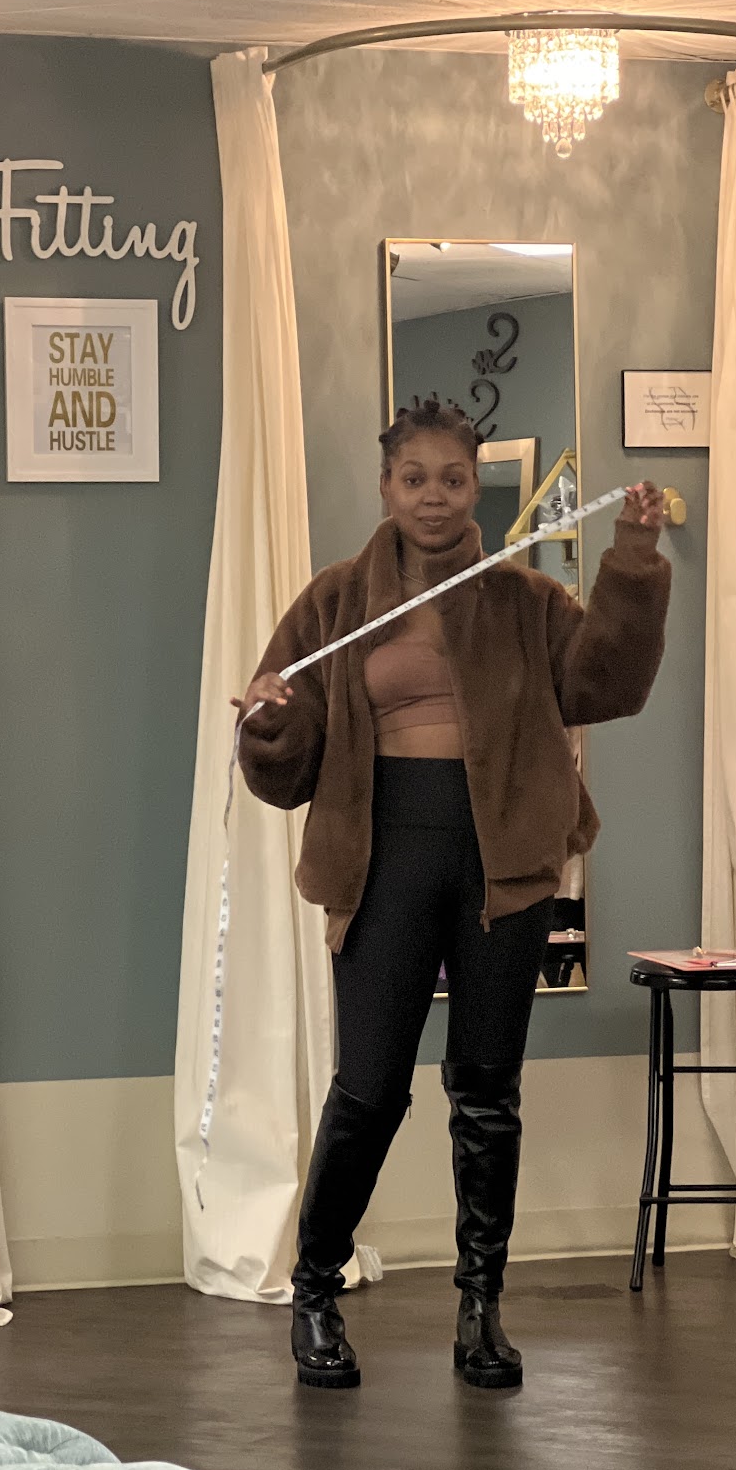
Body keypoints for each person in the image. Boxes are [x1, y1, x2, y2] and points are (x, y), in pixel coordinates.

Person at [236, 397, 670, 1392]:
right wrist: (266, 723)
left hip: (501, 866)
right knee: (368, 1089)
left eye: (454, 479)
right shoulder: (335, 601)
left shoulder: (526, 600)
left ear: (478, 488)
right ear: (385, 487)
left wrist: (635, 558)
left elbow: (606, 684)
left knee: (486, 1092)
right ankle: (315, 1290)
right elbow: (285, 767)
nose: (434, 496)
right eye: (414, 478)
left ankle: (481, 1309)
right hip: (382, 861)